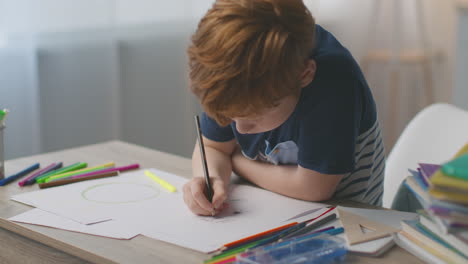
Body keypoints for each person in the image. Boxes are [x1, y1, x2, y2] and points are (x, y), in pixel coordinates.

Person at [183, 0, 384, 216]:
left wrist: (236, 161)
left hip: (348, 219)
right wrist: (210, 178)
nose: (240, 129)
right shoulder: (230, 76)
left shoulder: (335, 84)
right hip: (269, 207)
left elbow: (313, 188)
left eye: (255, 117)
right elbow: (213, 148)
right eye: (230, 117)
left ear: (305, 75)